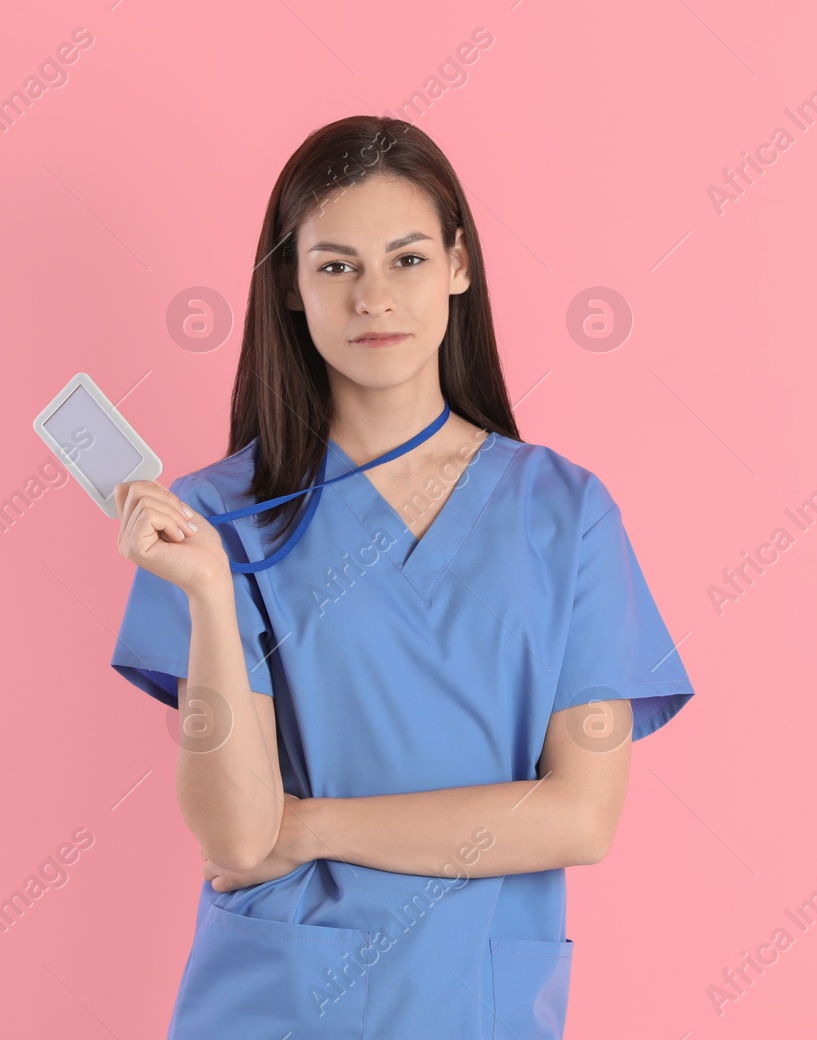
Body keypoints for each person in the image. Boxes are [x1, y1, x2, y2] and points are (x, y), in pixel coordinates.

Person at [109, 114, 697, 1039]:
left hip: (473, 1000)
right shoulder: (212, 520)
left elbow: (581, 816)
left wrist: (312, 829)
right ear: (293, 288)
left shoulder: (565, 514)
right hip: (277, 1006)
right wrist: (212, 597)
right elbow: (234, 836)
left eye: (408, 259)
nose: (373, 297)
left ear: (460, 266)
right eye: (336, 265)